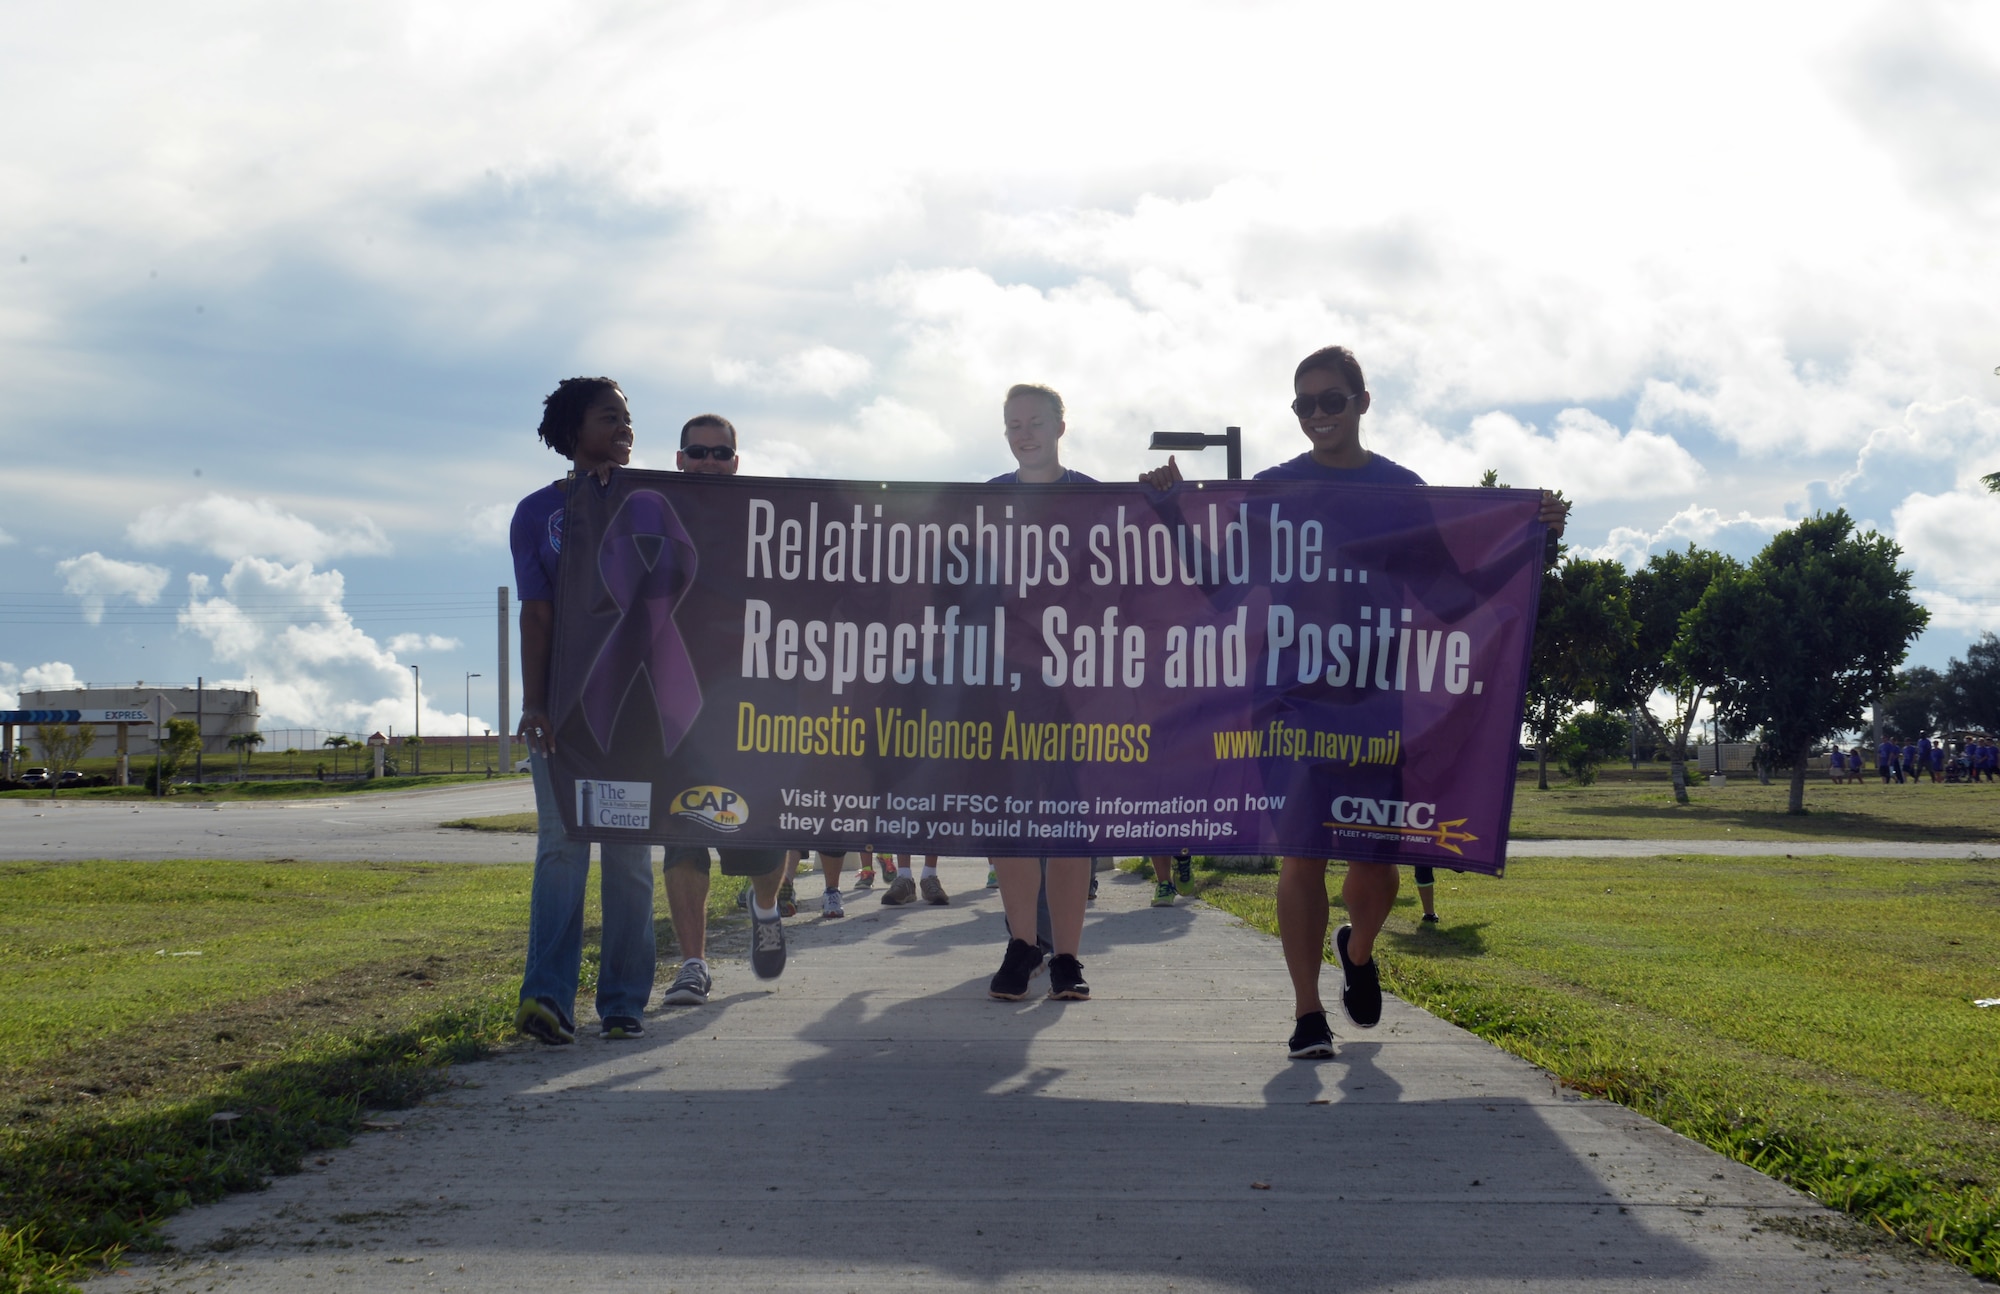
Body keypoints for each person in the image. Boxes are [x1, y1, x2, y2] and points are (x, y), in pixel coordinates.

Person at [1144, 345, 1567, 1060]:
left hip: (1373, 699)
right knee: (1302, 853)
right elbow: (1221, 590)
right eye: (1304, 405)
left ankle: (1359, 950)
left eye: (1331, 401)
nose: (1317, 415)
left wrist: (1532, 545)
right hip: (1286, 700)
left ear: (1362, 403)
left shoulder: (1398, 493)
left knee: (1375, 863)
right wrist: (1171, 515)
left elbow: (1453, 598)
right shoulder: (1274, 491)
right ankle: (1307, 1012)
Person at [510, 377, 658, 1043]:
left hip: (638, 711)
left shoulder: (655, 506)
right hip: (563, 714)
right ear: (573, 432)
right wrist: (534, 702)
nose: (624, 427)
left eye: (628, 418)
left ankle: (624, 1002)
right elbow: (536, 615)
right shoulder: (536, 513)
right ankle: (547, 999)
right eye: (609, 418)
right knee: (562, 847)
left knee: (627, 855)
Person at [658, 414, 790, 1007]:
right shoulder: (653, 511)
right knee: (682, 835)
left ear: (736, 461)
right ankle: (693, 964)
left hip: (750, 707)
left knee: (762, 839)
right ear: (679, 459)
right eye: (697, 453)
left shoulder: (767, 520)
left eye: (720, 454)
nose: (709, 463)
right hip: (678, 707)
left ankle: (765, 909)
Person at [987, 383, 1097, 1002]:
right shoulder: (988, 500)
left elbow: (1134, 573)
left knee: (1069, 824)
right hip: (1006, 682)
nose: (1023, 432)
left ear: (1060, 426)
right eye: (1012, 424)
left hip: (1078, 684)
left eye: (1033, 421)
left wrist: (1162, 503)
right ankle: (1023, 943)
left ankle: (1069, 959)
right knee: (1014, 819)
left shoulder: (1091, 497)